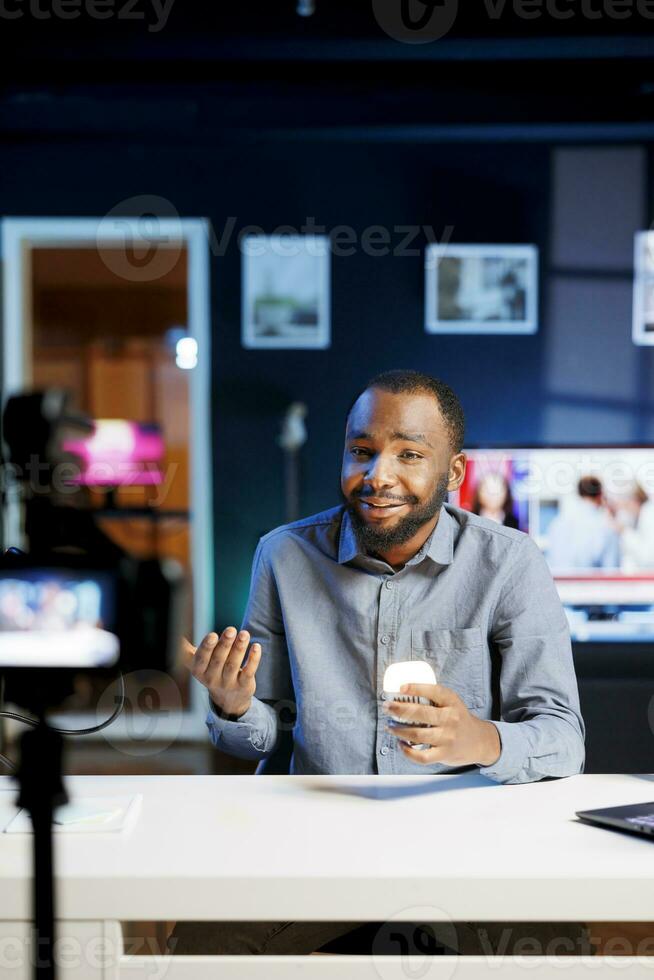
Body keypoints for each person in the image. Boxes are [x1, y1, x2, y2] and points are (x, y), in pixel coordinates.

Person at [170, 369, 588, 957]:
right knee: (200, 950)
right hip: (315, 847)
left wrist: (479, 739)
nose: (377, 476)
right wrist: (235, 706)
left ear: (454, 473)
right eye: (361, 452)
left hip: (470, 847)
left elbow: (563, 738)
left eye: (409, 454)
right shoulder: (284, 555)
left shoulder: (510, 562)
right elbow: (263, 739)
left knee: (560, 947)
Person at [546, 476, 621, 572]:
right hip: (590, 586)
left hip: (558, 584)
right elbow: (612, 571)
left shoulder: (557, 522)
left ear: (579, 493)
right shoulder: (607, 526)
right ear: (600, 494)